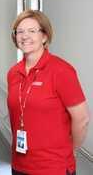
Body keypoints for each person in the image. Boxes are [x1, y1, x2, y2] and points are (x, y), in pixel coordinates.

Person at [7, 10, 90, 175]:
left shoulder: (61, 71)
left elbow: (82, 119)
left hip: (54, 167)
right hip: (20, 165)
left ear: (44, 36)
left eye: (32, 31)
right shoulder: (13, 73)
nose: (25, 36)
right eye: (20, 31)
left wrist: (71, 149)